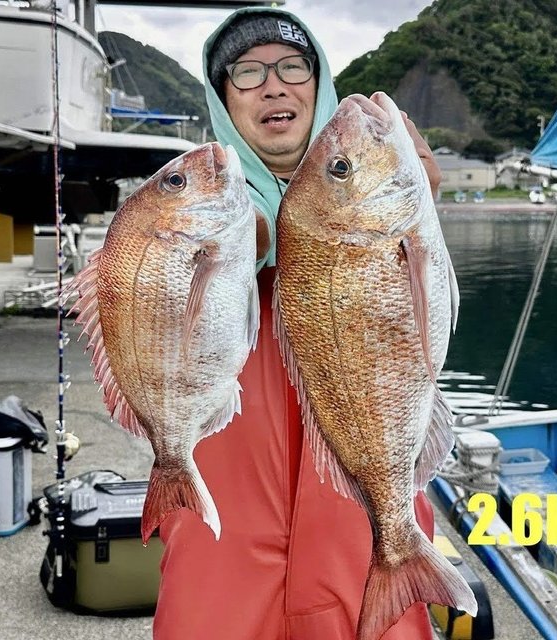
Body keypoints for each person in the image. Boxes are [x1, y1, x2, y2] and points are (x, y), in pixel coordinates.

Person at [154, 7, 442, 640]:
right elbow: (140, 319)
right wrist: (230, 243)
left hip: (362, 517)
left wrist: (418, 211)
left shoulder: (384, 191)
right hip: (223, 533)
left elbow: (428, 326)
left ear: (319, 82)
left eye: (292, 66)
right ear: (223, 99)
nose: (273, 85)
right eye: (247, 73)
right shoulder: (186, 208)